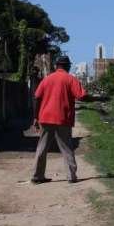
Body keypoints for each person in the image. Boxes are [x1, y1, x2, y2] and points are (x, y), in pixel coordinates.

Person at [31, 55, 86, 184]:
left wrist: (35, 117)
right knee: (66, 147)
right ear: (67, 66)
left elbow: (37, 98)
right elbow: (81, 96)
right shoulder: (71, 79)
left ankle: (37, 176)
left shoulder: (46, 79)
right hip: (63, 119)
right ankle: (71, 176)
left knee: (42, 147)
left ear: (56, 66)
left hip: (45, 117)